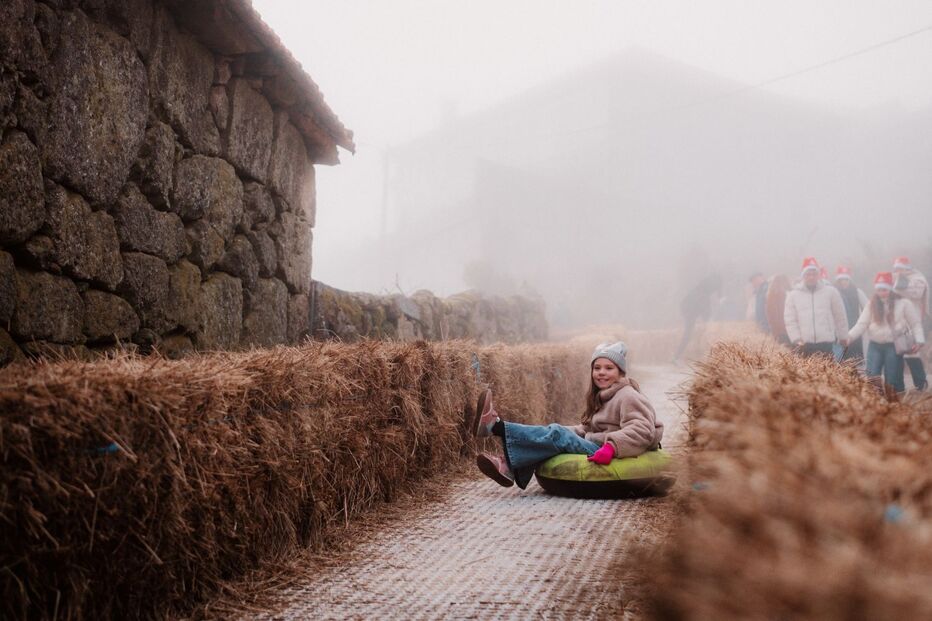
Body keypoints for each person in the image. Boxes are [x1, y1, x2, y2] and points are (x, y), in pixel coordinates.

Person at [473, 342, 663, 489]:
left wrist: (612, 447)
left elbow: (643, 430)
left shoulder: (628, 396)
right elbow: (586, 430)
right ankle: (507, 466)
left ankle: (495, 426)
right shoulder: (603, 397)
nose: (601, 373)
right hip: (598, 445)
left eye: (609, 368)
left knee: (557, 434)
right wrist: (560, 431)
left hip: (609, 451)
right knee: (556, 432)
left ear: (621, 372)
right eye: (597, 368)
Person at [848, 272, 925, 394]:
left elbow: (915, 323)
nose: (882, 293)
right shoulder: (871, 304)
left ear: (890, 289)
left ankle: (895, 402)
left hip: (893, 346)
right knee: (872, 375)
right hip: (875, 345)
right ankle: (877, 402)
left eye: (884, 289)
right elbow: (861, 324)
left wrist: (919, 340)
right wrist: (849, 337)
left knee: (892, 378)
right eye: (879, 290)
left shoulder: (904, 303)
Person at [784, 257, 849, 358]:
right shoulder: (793, 295)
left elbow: (840, 316)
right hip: (804, 344)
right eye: (808, 274)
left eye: (814, 274)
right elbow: (790, 319)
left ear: (818, 275)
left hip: (826, 343)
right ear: (803, 276)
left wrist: (843, 336)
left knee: (827, 372)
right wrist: (796, 338)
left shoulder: (831, 292)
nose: (811, 277)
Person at [893, 256, 929, 391]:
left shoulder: (918, 279)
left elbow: (916, 294)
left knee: (912, 352)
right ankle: (898, 385)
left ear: (907, 268)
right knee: (897, 352)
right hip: (899, 320)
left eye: (900, 268)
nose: (898, 271)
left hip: (915, 319)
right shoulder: (896, 280)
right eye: (896, 269)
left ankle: (921, 383)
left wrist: (898, 283)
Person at [673, 273, 722, 362]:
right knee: (688, 334)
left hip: (689, 310)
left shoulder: (700, 290)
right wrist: (706, 318)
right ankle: (677, 357)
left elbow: (702, 307)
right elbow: (705, 309)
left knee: (689, 334)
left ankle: (677, 356)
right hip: (690, 312)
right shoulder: (704, 293)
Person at [833, 265, 869, 362]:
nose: (844, 282)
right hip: (837, 332)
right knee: (839, 361)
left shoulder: (857, 292)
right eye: (841, 280)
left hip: (854, 331)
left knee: (854, 363)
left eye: (846, 279)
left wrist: (863, 323)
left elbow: (868, 308)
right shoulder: (833, 293)